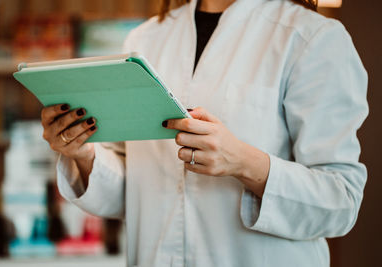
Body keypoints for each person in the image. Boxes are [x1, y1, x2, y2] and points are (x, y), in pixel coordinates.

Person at [41, 0, 368, 266]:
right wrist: (82, 153)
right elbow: (137, 190)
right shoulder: (143, 40)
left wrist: (243, 162)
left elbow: (341, 201)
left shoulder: (311, 37)